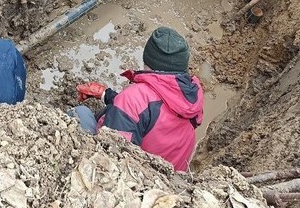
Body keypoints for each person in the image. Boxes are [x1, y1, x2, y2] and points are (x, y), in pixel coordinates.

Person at [72, 27, 204, 172]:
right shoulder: (192, 94)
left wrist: (122, 101)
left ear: (147, 58)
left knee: (80, 113)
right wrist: (106, 94)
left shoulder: (133, 98)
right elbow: (154, 114)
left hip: (139, 178)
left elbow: (112, 152)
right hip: (171, 175)